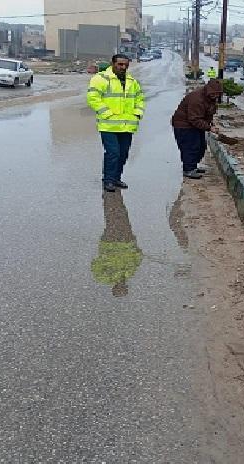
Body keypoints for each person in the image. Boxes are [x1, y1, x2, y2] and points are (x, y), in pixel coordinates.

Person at [87, 54, 145, 192]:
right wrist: (107, 113)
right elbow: (93, 98)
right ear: (112, 64)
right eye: (120, 64)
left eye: (125, 65)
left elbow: (140, 98)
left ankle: (116, 178)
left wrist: (137, 113)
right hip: (109, 125)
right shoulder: (100, 79)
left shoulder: (132, 81)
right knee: (113, 153)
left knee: (123, 154)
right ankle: (108, 180)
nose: (123, 67)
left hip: (127, 125)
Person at [91, 191, 142, 297]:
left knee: (112, 219)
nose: (122, 285)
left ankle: (110, 201)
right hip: (126, 242)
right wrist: (136, 249)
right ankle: (113, 201)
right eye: (124, 287)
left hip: (111, 243)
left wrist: (105, 257)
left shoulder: (104, 277)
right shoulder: (128, 274)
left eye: (121, 288)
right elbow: (137, 260)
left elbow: (95, 264)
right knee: (122, 217)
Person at [171, 79, 223, 179]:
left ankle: (193, 167)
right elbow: (194, 119)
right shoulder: (197, 99)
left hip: (194, 124)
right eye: (214, 94)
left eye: (218, 94)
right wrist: (209, 128)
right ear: (209, 91)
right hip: (184, 125)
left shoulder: (209, 98)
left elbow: (207, 113)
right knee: (190, 147)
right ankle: (188, 170)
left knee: (200, 147)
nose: (216, 96)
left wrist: (211, 123)